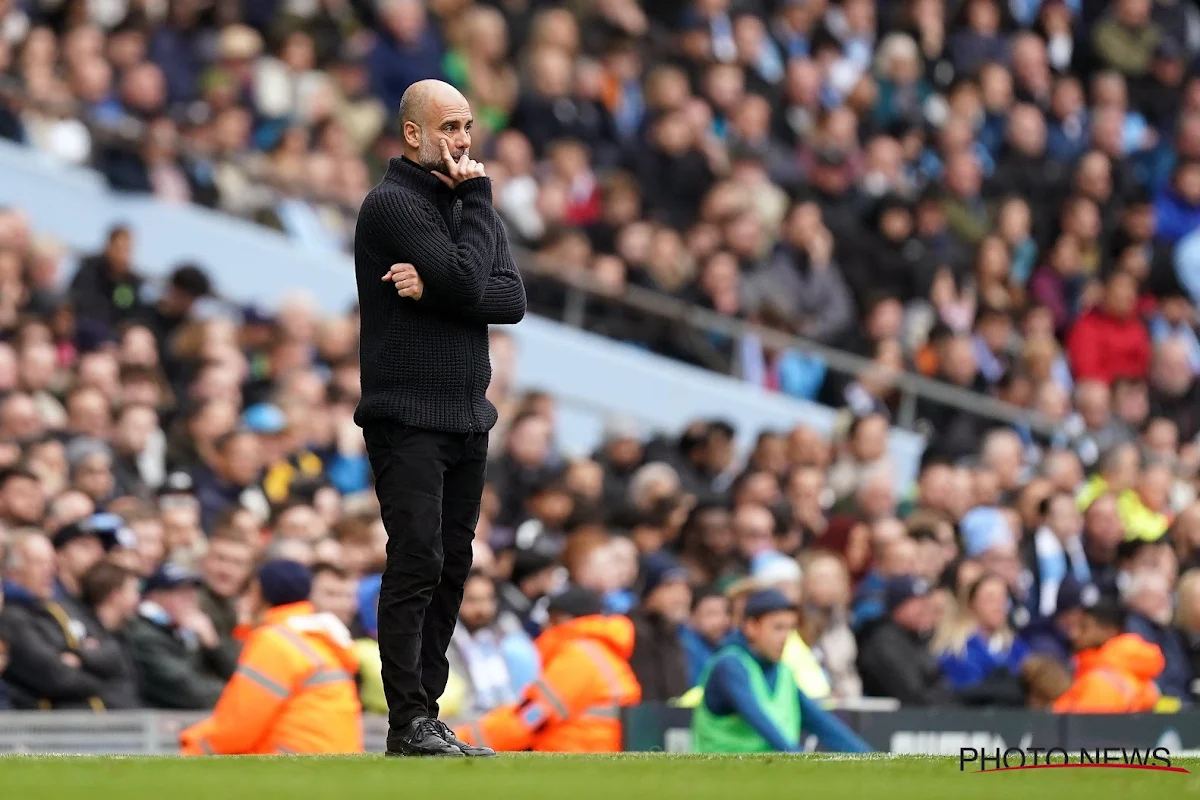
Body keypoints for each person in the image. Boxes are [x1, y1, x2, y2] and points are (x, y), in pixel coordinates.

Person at [353, 79, 525, 757]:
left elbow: (508, 298)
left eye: (468, 128)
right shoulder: (393, 204)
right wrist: (458, 272)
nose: (462, 141)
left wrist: (442, 287)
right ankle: (407, 718)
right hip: (407, 415)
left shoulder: (468, 210)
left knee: (453, 563)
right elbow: (469, 283)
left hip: (466, 416)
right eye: (449, 127)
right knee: (417, 557)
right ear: (414, 134)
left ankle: (427, 716)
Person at [181, 560, 363, 755]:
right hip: (334, 766)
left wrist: (191, 750)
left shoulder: (276, 641)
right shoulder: (317, 637)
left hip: (294, 767)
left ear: (258, 592)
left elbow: (239, 726)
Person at [454, 586, 641, 752]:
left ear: (560, 619)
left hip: (578, 760)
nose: (544, 628)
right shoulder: (598, 652)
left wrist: (457, 740)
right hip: (597, 754)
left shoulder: (578, 659)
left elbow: (527, 720)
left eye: (549, 620)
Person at [691, 589, 870, 753]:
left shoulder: (783, 672)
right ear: (751, 627)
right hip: (722, 780)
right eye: (778, 628)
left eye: (790, 628)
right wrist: (796, 758)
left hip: (766, 778)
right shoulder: (729, 665)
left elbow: (823, 725)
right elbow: (759, 720)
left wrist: (874, 759)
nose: (786, 637)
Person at [123, 563, 233, 709]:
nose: (191, 598)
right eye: (181, 592)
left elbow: (234, 673)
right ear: (155, 596)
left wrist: (213, 644)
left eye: (192, 591)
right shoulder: (144, 635)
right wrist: (239, 695)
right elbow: (192, 691)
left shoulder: (183, 631)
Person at [446, 569, 538, 718]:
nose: (481, 609)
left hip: (507, 720)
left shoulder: (507, 634)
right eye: (472, 600)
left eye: (487, 599)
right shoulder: (446, 642)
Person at [1053, 594, 1165, 713]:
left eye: (1084, 627)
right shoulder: (1095, 668)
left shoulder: (1100, 681)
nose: (1074, 634)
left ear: (1109, 630)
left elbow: (1083, 727)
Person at [856, 576, 957, 705]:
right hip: (893, 721)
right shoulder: (883, 641)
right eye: (914, 602)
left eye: (925, 600)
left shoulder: (917, 637)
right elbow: (913, 695)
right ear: (897, 605)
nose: (923, 608)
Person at [628, 551, 691, 702]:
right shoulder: (632, 633)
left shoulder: (673, 632)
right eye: (669, 586)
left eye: (684, 586)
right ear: (649, 591)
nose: (681, 595)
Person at [78, 560, 141, 709]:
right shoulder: (86, 636)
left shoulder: (126, 634)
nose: (138, 598)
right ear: (115, 596)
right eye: (133, 591)